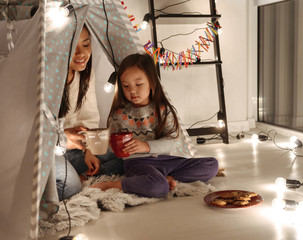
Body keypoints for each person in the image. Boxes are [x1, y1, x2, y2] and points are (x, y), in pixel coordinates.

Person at [91, 53, 218, 198]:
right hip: (137, 163)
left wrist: (146, 146)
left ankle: (166, 179)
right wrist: (108, 146)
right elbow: (113, 147)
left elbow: (172, 141)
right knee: (157, 187)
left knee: (211, 165)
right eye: (126, 86)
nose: (132, 90)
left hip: (167, 161)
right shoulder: (118, 114)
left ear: (151, 82)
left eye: (138, 84)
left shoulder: (164, 110)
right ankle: (114, 185)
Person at [56, 25, 123, 201]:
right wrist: (62, 137)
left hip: (79, 147)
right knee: (67, 188)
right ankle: (80, 177)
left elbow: (89, 117)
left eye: (86, 45)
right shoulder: (48, 80)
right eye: (72, 48)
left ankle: (85, 176)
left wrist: (90, 150)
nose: (81, 54)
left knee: (125, 155)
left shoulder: (85, 74)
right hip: (54, 149)